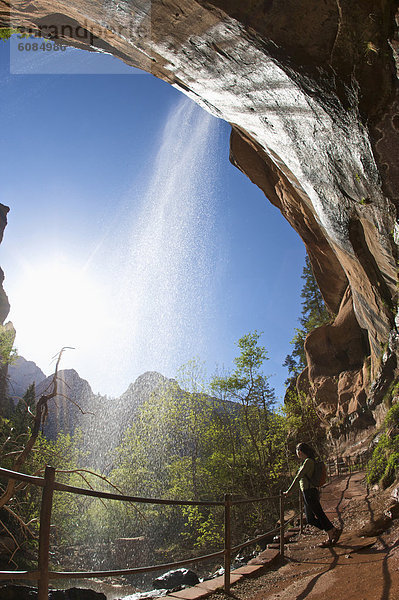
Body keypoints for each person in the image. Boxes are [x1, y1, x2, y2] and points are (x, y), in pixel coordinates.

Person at [283, 442, 342, 547]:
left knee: (319, 513)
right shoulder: (306, 462)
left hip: (310, 492)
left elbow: (298, 477)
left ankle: (331, 533)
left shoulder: (308, 462)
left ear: (299, 452)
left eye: (297, 451)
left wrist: (289, 491)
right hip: (307, 492)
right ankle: (332, 530)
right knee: (310, 519)